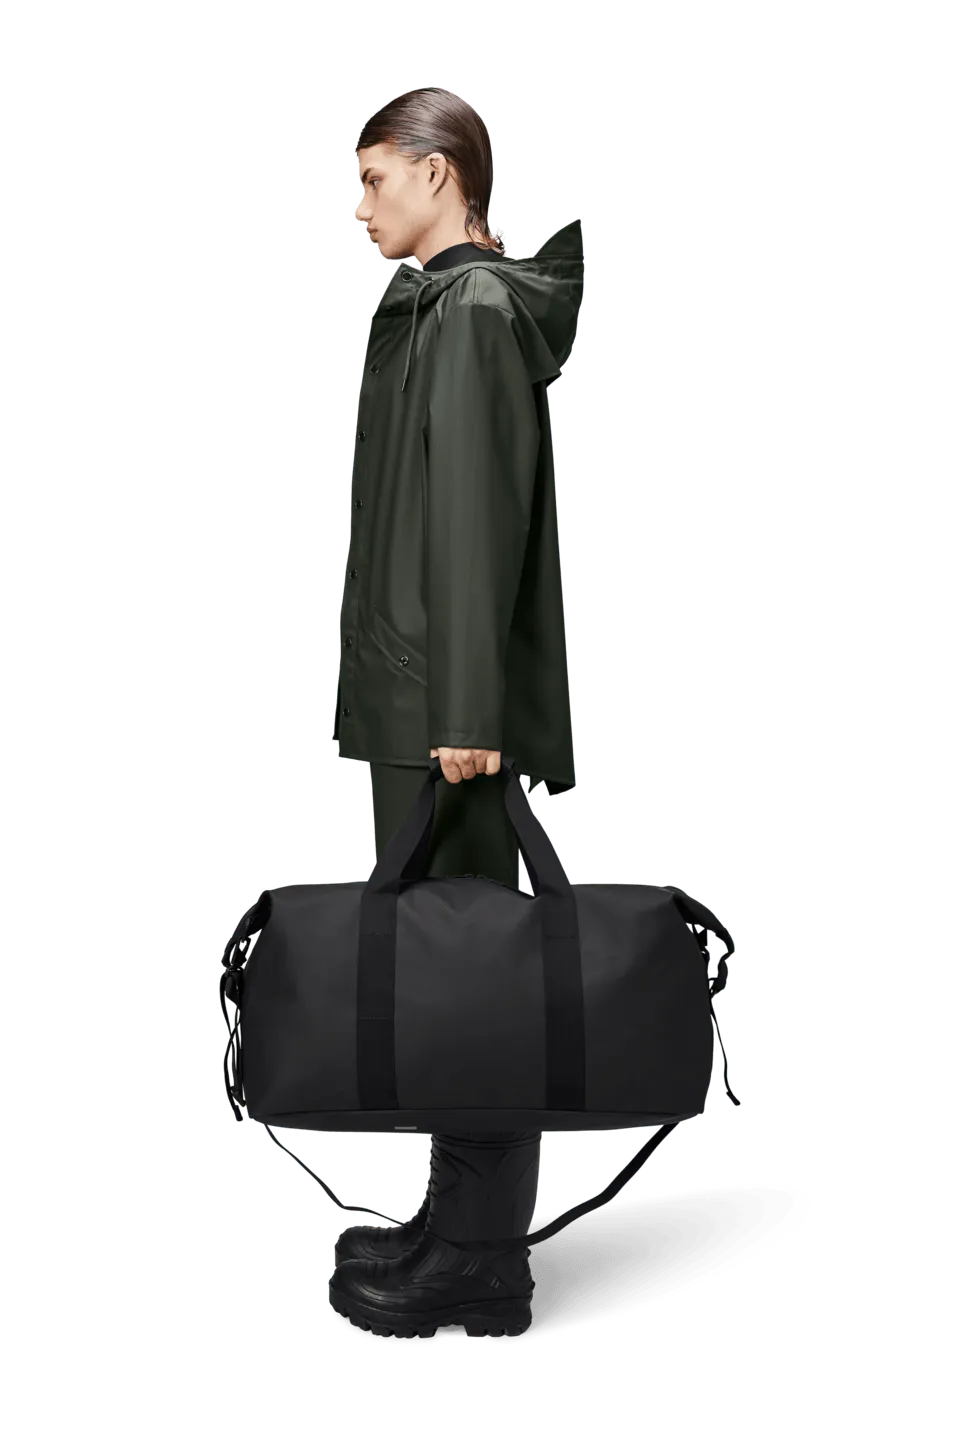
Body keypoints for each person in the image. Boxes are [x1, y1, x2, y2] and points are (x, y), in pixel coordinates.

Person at [327, 86, 584, 1340]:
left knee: (473, 981)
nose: (358, 207)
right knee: (445, 973)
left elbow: (478, 517)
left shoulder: (473, 311)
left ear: (439, 174)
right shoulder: (438, 305)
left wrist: (468, 707)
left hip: (449, 713)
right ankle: (453, 1222)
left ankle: (482, 1264)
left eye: (374, 179)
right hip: (422, 694)